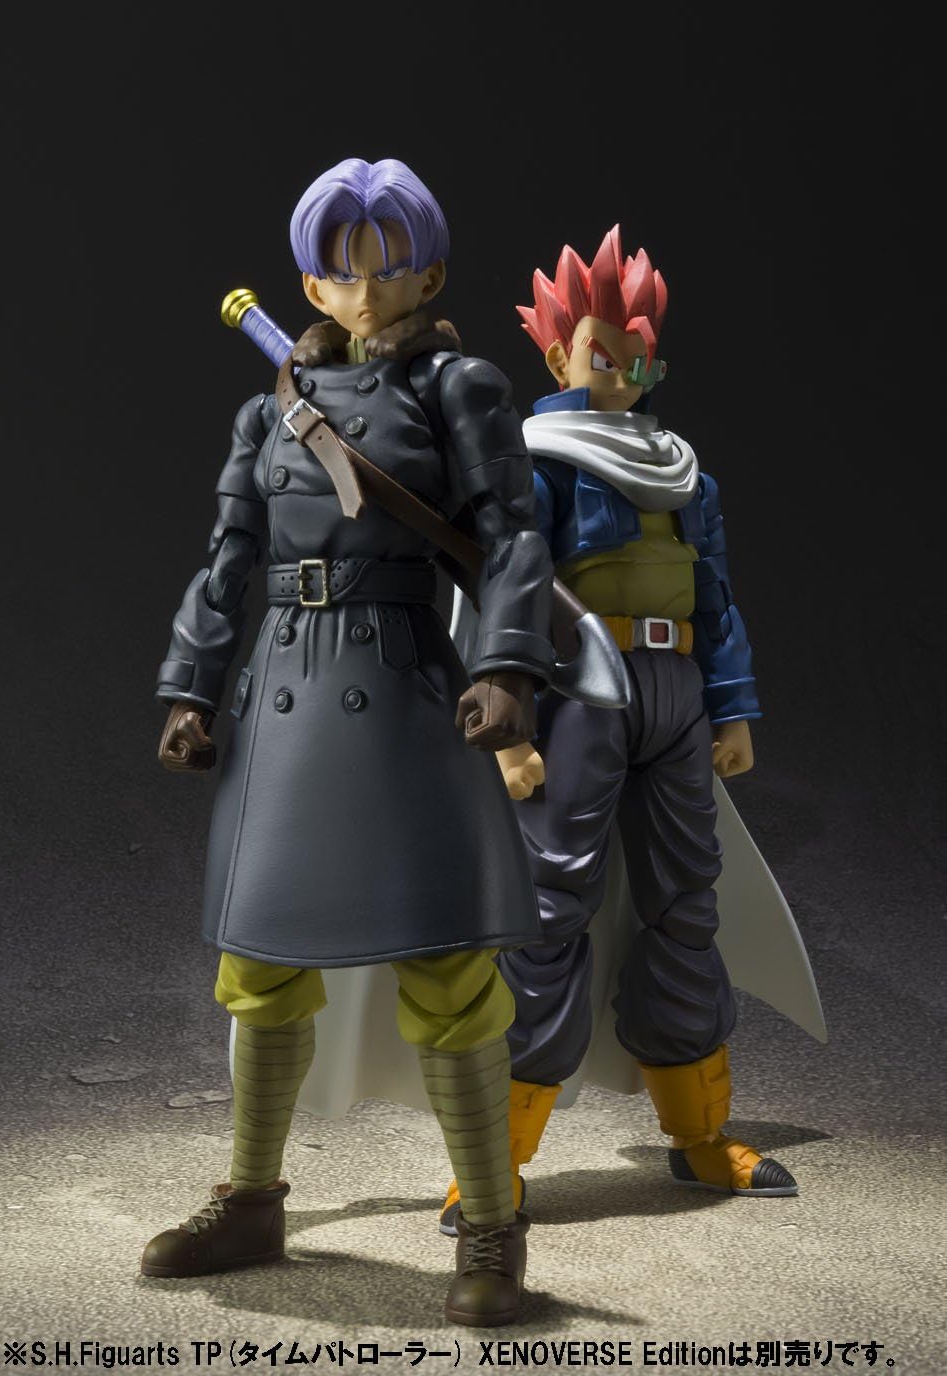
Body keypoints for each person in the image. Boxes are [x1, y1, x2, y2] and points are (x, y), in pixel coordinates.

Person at [141, 157, 554, 1327]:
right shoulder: (268, 409)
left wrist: (505, 668)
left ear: (429, 273)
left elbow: (510, 537)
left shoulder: (459, 387)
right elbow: (229, 558)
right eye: (340, 270)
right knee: (259, 963)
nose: (365, 292)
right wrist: (190, 688)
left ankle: (492, 1221)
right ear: (310, 285)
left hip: (404, 686)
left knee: (447, 963)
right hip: (284, 689)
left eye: (388, 267)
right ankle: (251, 1198)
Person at [440, 224, 799, 1234]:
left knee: (685, 902)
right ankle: (492, 1159)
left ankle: (697, 1131)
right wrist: (509, 728)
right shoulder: (535, 466)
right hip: (579, 694)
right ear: (560, 355)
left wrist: (732, 704)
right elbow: (506, 597)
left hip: (674, 688)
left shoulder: (685, 473)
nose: (627, 373)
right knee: (546, 910)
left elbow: (714, 597)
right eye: (608, 353)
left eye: (643, 357)